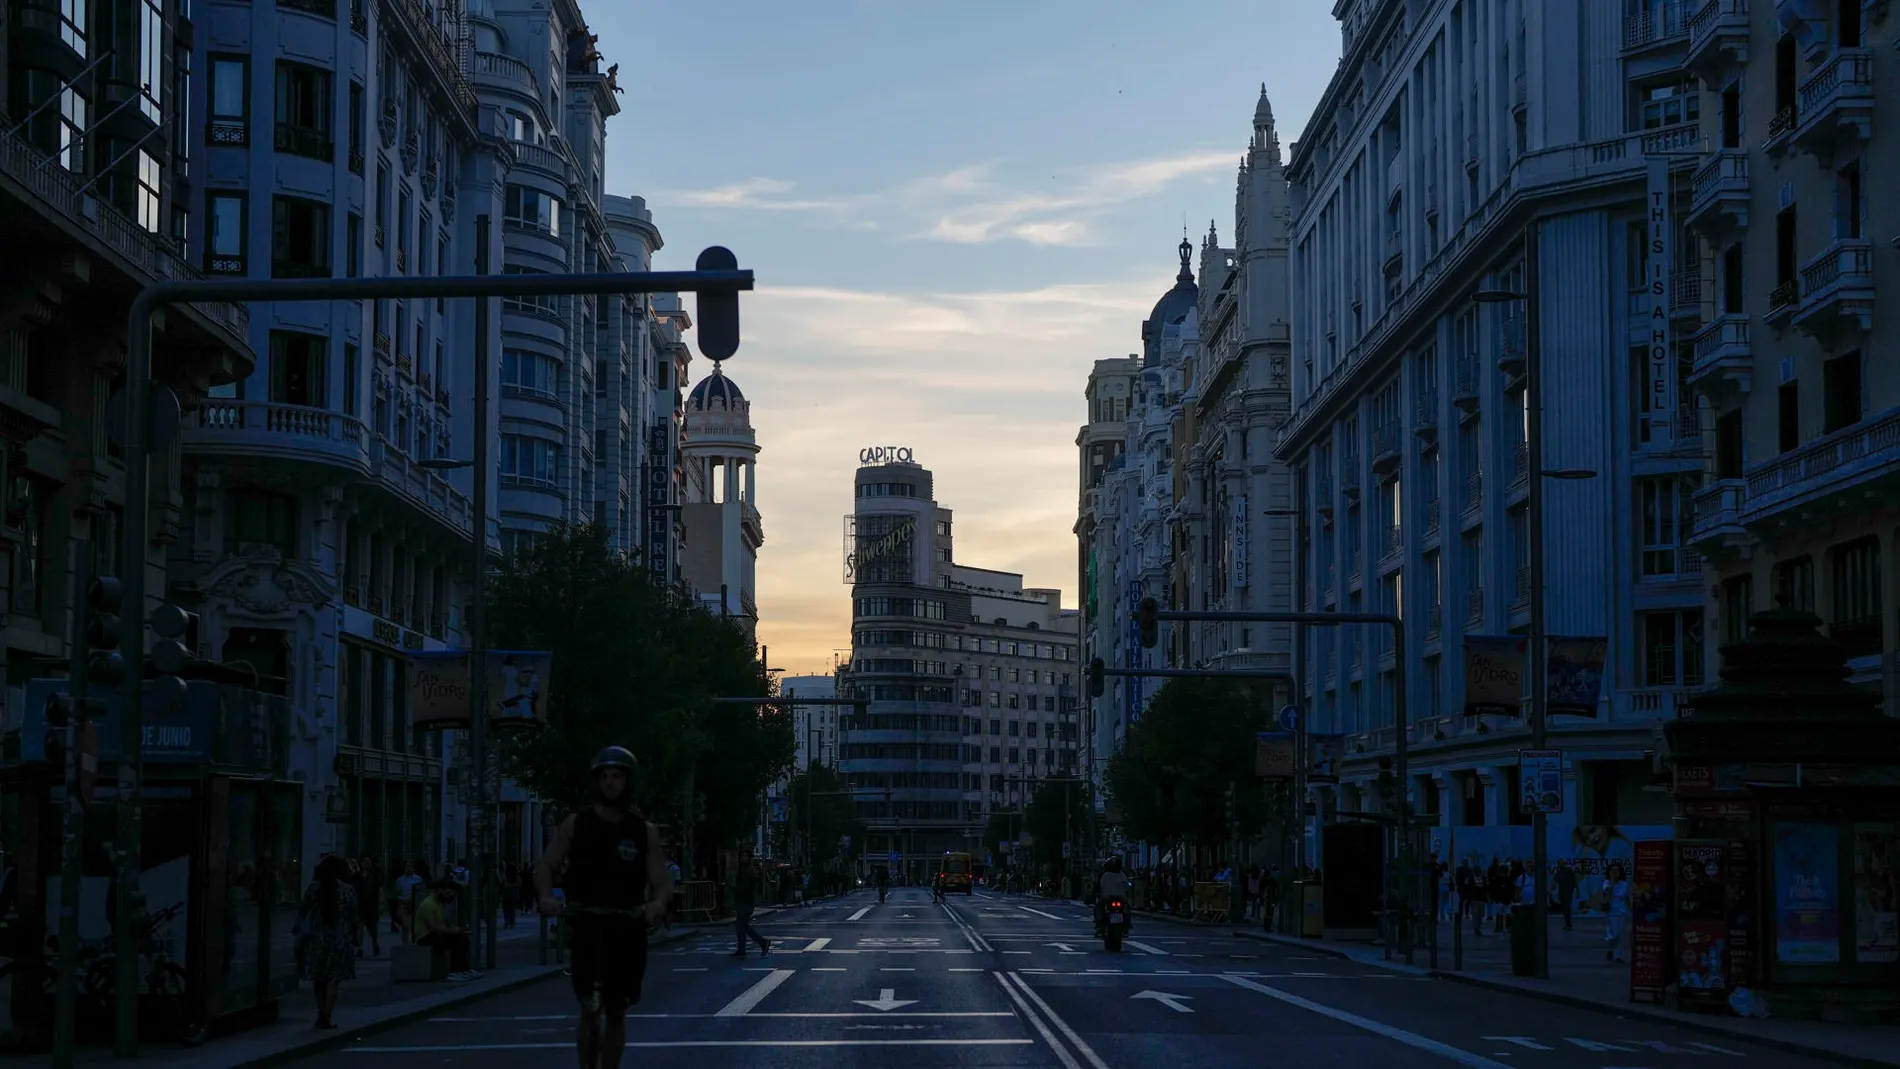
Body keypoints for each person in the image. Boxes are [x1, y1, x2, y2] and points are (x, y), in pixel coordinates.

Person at [537, 745, 674, 1069]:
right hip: (587, 925)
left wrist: (657, 903)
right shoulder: (576, 824)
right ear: (596, 782)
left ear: (628, 782)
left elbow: (661, 880)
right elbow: (545, 865)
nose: (611, 783)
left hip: (627, 928)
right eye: (605, 777)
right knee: (589, 1006)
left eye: (618, 776)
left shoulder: (643, 831)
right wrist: (546, 896)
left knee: (616, 1009)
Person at [295, 855, 360, 1029]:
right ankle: (327, 1014)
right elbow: (355, 917)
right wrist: (356, 938)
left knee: (319, 979)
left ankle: (320, 1011)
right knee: (333, 979)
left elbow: (302, 911)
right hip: (340, 940)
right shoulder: (347, 890)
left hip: (318, 940)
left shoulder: (314, 889)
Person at [414, 880, 478, 981]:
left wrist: (455, 928)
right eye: (447, 893)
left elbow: (441, 924)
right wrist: (454, 931)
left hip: (435, 934)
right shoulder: (428, 904)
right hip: (425, 938)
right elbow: (434, 927)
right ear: (439, 890)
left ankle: (463, 969)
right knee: (457, 941)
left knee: (462, 939)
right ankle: (455, 971)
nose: (448, 897)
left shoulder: (439, 903)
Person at [728, 856, 771, 958]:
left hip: (745, 902)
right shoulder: (748, 871)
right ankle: (761, 943)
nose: (742, 858)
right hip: (746, 902)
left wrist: (734, 888)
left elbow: (746, 888)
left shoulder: (747, 872)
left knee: (740, 926)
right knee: (743, 926)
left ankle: (746, 948)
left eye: (745, 856)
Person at [1094, 856, 1130, 936]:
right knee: (1127, 909)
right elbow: (1127, 886)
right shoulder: (1122, 875)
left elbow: (1100, 886)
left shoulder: (1105, 875)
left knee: (1098, 908)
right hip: (1120, 898)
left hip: (1107, 898)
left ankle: (1100, 925)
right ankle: (1126, 926)